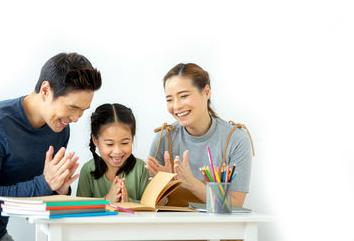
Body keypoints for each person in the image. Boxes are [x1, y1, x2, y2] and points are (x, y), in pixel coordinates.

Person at [0, 53, 102, 240]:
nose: (75, 118)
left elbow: (33, 197)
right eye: (73, 107)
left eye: (83, 110)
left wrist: (58, 190)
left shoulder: (59, 129)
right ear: (46, 90)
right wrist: (45, 183)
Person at [146, 63, 253, 207]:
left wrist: (191, 183)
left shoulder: (235, 139)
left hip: (218, 229)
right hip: (172, 228)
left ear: (206, 92)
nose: (176, 106)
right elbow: (151, 205)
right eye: (169, 99)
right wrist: (163, 185)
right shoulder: (164, 138)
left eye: (183, 96)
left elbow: (235, 204)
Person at [77, 103, 150, 203]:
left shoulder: (141, 168)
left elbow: (149, 206)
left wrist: (128, 201)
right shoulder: (88, 170)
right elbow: (80, 209)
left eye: (124, 143)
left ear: (132, 138)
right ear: (95, 140)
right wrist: (107, 200)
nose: (117, 151)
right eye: (110, 144)